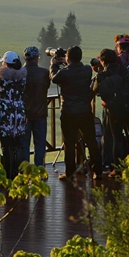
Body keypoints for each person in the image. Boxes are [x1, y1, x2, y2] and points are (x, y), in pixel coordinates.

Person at [51, 46, 102, 181]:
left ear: (68, 58)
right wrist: (66, 64)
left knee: (69, 143)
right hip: (85, 111)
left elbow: (54, 78)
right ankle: (98, 171)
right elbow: (75, 72)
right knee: (91, 142)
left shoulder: (64, 73)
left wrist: (54, 66)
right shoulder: (86, 70)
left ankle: (70, 173)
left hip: (69, 112)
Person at [95, 49, 129, 176]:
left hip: (114, 109)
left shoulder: (103, 75)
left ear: (103, 61)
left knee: (116, 138)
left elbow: (95, 90)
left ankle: (117, 169)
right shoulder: (123, 70)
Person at [0, 51, 28, 179]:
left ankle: (8, 174)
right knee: (18, 144)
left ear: (5, 63)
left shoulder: (1, 78)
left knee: (6, 145)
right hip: (19, 112)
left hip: (6, 113)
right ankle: (18, 172)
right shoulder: (22, 77)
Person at [22, 46, 51, 167]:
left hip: (24, 114)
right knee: (40, 143)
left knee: (24, 144)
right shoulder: (44, 72)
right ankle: (40, 168)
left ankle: (25, 169)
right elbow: (46, 86)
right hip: (40, 113)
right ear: (37, 58)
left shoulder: (21, 72)